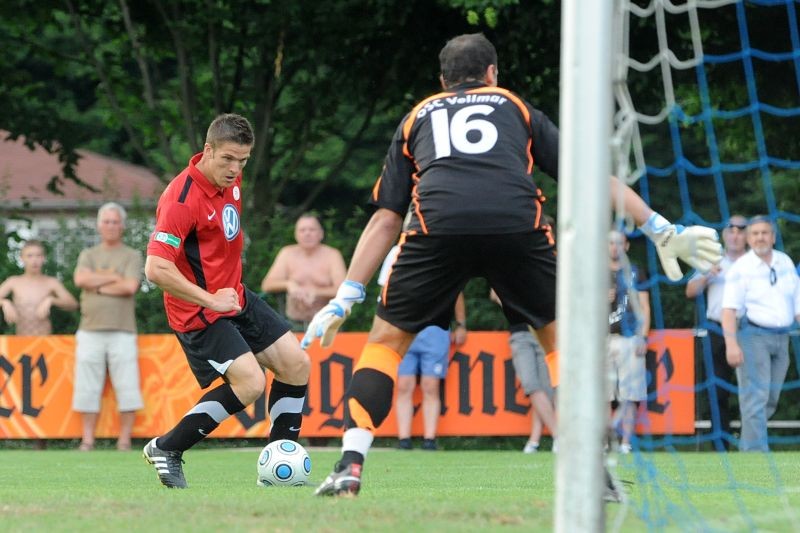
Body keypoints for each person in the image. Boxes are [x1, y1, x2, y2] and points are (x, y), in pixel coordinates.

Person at [301, 33, 721, 497]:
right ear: (492, 74)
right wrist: (660, 227)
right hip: (516, 227)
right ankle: (592, 474)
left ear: (442, 81)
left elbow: (386, 217)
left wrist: (347, 294)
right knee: (563, 348)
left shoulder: (417, 116)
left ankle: (349, 467)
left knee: (383, 346)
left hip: (436, 229)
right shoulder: (514, 106)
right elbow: (588, 176)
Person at [143, 114, 310, 488]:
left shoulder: (229, 181)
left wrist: (225, 295)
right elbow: (155, 269)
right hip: (197, 312)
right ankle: (167, 448)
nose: (235, 170)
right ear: (207, 150)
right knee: (250, 383)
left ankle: (280, 467)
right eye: (228, 160)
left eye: (243, 161)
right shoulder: (180, 199)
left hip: (233, 296)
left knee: (296, 365)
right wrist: (210, 300)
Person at [721, 215, 800, 452]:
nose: (760, 238)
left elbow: (797, 303)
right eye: (755, 234)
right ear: (748, 238)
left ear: (773, 237)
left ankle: (748, 445)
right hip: (752, 335)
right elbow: (728, 310)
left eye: (765, 233)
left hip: (782, 337)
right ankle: (755, 454)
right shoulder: (741, 268)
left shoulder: (784, 262)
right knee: (755, 398)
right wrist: (731, 344)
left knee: (771, 398)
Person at [378, 245, 468, 451]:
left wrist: (461, 324)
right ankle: (404, 439)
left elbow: (456, 292)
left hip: (436, 327)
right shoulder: (396, 252)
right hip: (404, 326)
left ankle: (429, 440)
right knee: (403, 385)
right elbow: (386, 290)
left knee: (430, 386)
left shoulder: (444, 250)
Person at [72, 203, 144, 452]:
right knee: (86, 386)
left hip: (123, 331)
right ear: (99, 225)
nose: (111, 226)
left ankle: (124, 440)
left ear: (122, 226)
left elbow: (129, 287)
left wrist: (98, 284)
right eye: (107, 221)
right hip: (89, 330)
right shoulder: (88, 254)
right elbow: (80, 279)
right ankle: (87, 439)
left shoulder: (132, 255)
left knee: (127, 386)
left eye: (115, 222)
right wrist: (114, 277)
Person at [685, 214, 748, 451]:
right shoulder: (712, 258)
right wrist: (708, 274)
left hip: (748, 329)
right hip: (715, 329)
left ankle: (750, 443)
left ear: (747, 235)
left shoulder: (755, 261)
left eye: (741, 230)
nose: (735, 234)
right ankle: (720, 445)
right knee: (717, 389)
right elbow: (690, 291)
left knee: (751, 391)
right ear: (724, 234)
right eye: (730, 229)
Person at [490, 288, 557, 453]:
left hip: (543, 331)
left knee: (546, 388)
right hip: (520, 333)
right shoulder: (511, 272)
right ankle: (559, 436)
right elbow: (494, 294)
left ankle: (534, 441)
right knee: (531, 385)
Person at [260, 213, 347, 330]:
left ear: (321, 234)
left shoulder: (332, 255)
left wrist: (316, 292)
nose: (307, 233)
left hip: (327, 324)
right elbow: (267, 285)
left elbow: (344, 291)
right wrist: (289, 284)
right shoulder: (287, 253)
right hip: (293, 324)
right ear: (296, 234)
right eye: (302, 230)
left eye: (312, 229)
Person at [607, 230, 650, 454]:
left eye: (618, 243)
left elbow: (645, 307)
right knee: (603, 394)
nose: (614, 247)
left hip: (629, 339)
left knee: (630, 393)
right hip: (602, 340)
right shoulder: (595, 273)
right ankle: (604, 441)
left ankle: (625, 442)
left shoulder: (635, 272)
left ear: (626, 246)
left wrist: (642, 336)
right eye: (610, 243)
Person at [0, 240, 78, 336]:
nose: (34, 260)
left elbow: (73, 304)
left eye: (38, 255)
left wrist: (51, 300)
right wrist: (4, 303)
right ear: (22, 258)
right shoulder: (13, 282)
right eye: (30, 256)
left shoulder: (51, 282)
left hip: (44, 339)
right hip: (20, 339)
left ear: (43, 258)